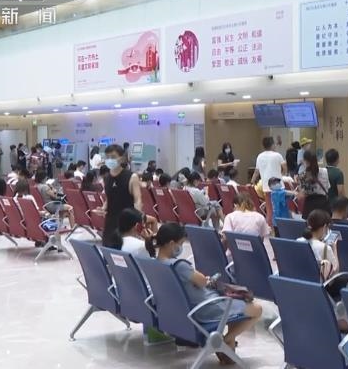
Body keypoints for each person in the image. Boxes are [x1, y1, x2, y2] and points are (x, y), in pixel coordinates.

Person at [149, 223, 261, 363]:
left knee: (236, 305)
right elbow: (202, 281)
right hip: (206, 308)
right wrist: (205, 280)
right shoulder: (179, 266)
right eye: (181, 243)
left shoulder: (154, 264)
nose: (181, 247)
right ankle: (223, 341)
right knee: (256, 309)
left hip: (182, 312)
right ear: (172, 243)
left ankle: (228, 349)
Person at [99, 144, 148, 250]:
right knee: (108, 252)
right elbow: (109, 198)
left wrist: (137, 220)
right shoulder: (106, 178)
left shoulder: (131, 177)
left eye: (113, 157)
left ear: (121, 158)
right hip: (110, 222)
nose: (110, 160)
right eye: (107, 157)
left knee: (123, 254)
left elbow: (138, 200)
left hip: (126, 225)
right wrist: (103, 208)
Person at [297, 150, 331, 218]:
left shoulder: (303, 176)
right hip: (323, 204)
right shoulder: (325, 171)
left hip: (310, 206)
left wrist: (298, 192)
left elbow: (301, 196)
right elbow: (328, 187)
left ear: (305, 161)